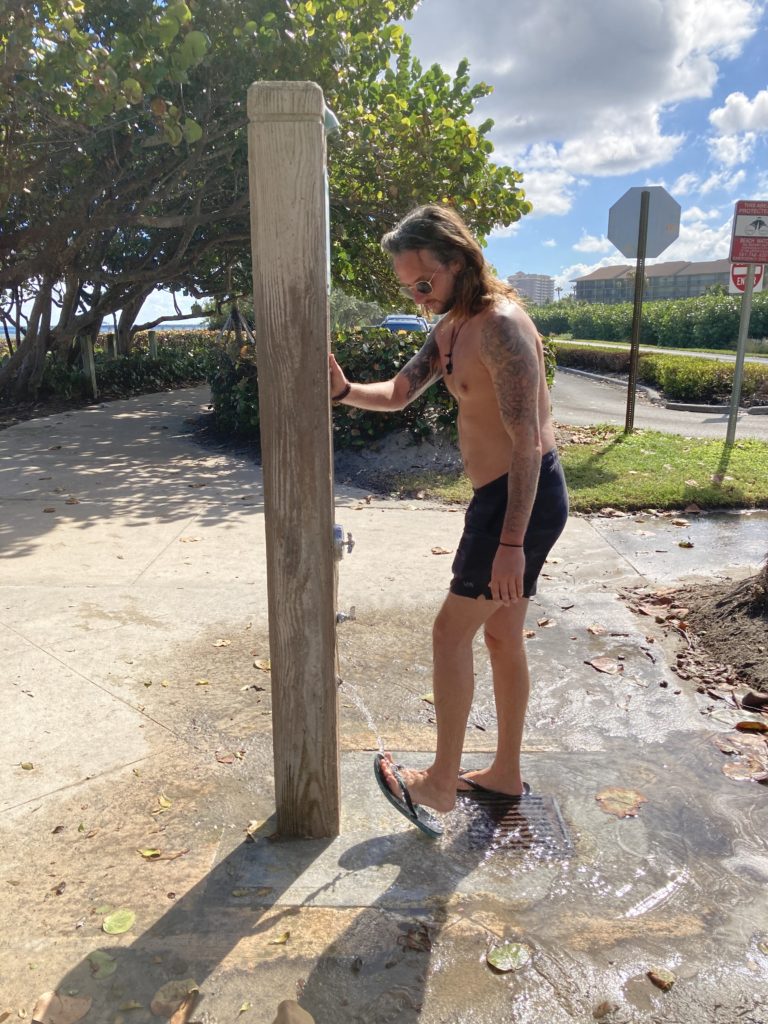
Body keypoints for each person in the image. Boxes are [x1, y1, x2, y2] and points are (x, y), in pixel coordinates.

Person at [329, 204, 568, 838]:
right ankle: (505, 773)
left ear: (458, 263)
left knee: (449, 634)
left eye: (424, 283)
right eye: (409, 287)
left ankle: (439, 783)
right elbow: (401, 392)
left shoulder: (501, 328)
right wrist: (344, 390)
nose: (418, 295)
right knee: (500, 636)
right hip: (504, 499)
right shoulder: (452, 327)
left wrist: (511, 543)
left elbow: (526, 445)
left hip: (520, 500)